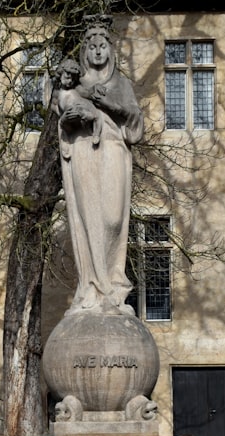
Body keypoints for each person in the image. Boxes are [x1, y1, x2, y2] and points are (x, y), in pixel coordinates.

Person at [58, 17, 144, 316]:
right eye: (92, 46)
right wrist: (69, 120)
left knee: (113, 220)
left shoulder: (122, 84)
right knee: (88, 218)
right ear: (85, 52)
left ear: (111, 50)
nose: (97, 52)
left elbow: (134, 124)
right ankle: (93, 287)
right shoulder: (74, 85)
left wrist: (105, 103)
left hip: (114, 149)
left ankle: (114, 285)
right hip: (84, 151)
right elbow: (63, 119)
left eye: (102, 46)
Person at [55, 58, 100, 156]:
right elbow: (64, 126)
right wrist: (64, 119)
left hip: (86, 128)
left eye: (73, 78)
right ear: (61, 73)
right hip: (76, 137)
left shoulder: (77, 90)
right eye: (67, 77)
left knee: (95, 117)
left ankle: (96, 133)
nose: (70, 81)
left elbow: (90, 96)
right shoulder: (56, 97)